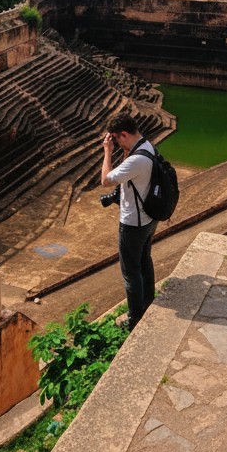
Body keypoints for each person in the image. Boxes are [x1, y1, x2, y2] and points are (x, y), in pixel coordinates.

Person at [100, 114, 156, 331]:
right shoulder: (146, 146)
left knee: (131, 272)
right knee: (144, 260)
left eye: (116, 138)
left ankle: (135, 319)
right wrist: (123, 150)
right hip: (149, 218)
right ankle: (147, 302)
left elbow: (105, 180)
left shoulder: (136, 160)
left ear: (123, 134)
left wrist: (107, 152)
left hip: (133, 222)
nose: (114, 142)